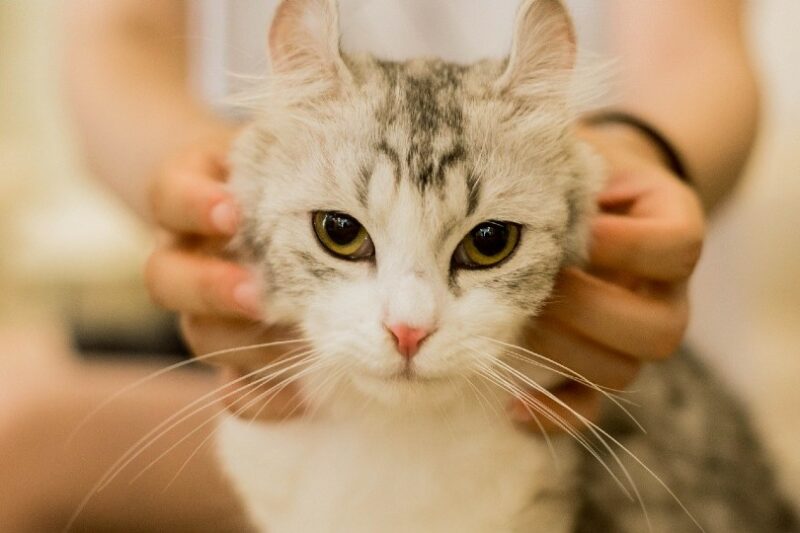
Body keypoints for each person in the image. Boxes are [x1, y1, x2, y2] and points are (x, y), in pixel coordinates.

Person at [0, 0, 758, 530]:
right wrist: (202, 194)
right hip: (267, 326)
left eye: (486, 242)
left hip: (549, 372)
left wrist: (642, 158)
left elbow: (699, 51)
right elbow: (116, 35)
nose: (408, 321)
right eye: (343, 232)